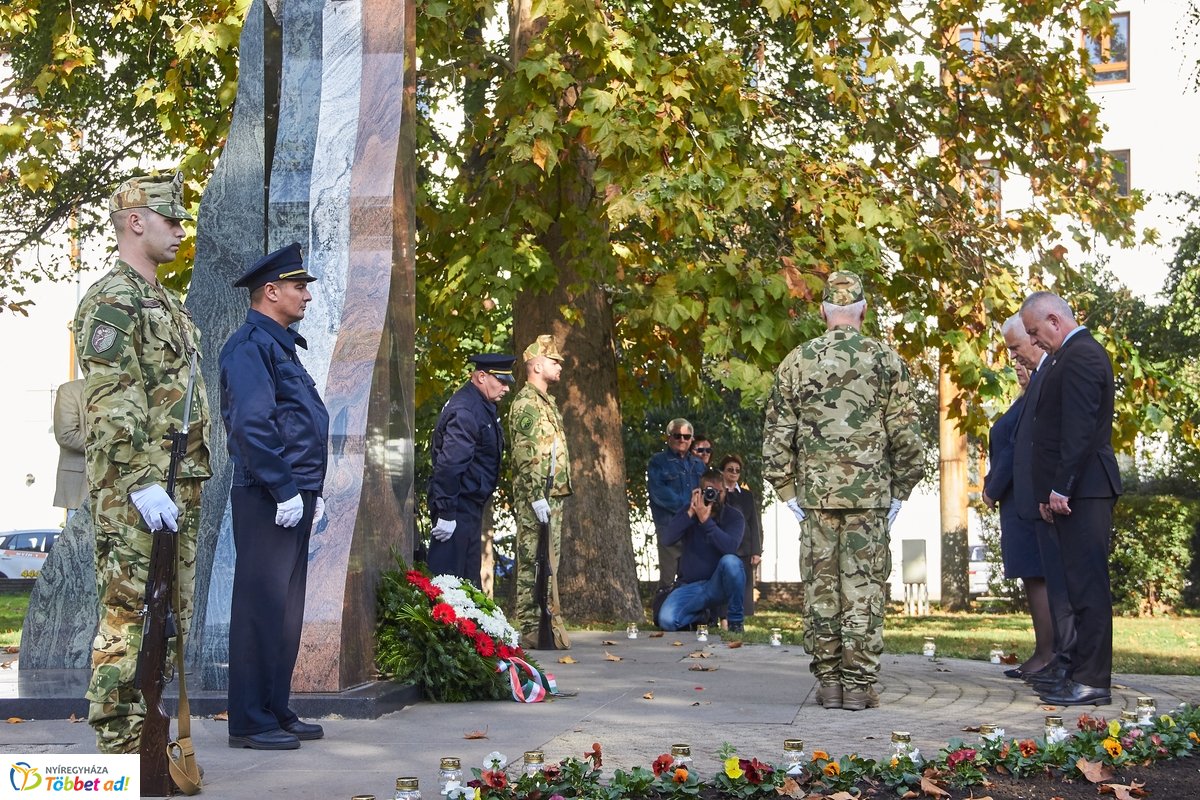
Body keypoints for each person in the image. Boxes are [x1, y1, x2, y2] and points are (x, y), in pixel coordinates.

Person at [73, 172, 212, 753]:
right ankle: (120, 748)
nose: (181, 232)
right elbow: (111, 404)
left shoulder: (162, 301)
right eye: (170, 221)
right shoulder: (112, 301)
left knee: (165, 618)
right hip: (138, 489)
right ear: (136, 222)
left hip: (176, 483)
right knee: (131, 614)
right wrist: (141, 482)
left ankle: (147, 744)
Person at [762, 270, 923, 712]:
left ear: (823, 311)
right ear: (864, 311)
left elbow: (778, 433)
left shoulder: (797, 361)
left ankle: (830, 682)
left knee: (822, 590)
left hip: (814, 498)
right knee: (863, 588)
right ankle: (858, 685)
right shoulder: (886, 360)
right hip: (869, 498)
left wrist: (788, 491)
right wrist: (902, 489)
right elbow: (906, 434)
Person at [220, 242, 330, 750]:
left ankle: (273, 706)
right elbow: (252, 424)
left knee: (285, 611)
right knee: (260, 608)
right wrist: (284, 486)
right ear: (271, 292)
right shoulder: (251, 346)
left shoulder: (280, 343)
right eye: (298, 286)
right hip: (268, 496)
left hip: (292, 493)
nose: (306, 295)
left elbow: (297, 423)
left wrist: (311, 489)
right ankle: (248, 719)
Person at [1020, 291, 1121, 706]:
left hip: (1086, 489)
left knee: (1088, 587)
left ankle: (1093, 680)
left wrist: (1061, 486)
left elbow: (1078, 430)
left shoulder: (1081, 356)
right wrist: (1050, 491)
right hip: (1072, 491)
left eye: (1034, 332)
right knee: (1075, 588)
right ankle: (1078, 671)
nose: (1035, 340)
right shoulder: (1069, 355)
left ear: (1054, 320)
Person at [981, 315, 1054, 679]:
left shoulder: (1043, 382)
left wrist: (991, 488)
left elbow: (1014, 450)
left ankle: (1047, 654)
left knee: (1037, 577)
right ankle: (1044, 653)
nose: (1014, 361)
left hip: (1024, 498)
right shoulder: (1027, 393)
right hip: (1020, 500)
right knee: (1033, 578)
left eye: (1016, 349)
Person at [428, 353, 515, 586]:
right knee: (447, 586)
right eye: (502, 381)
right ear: (481, 376)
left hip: (468, 506)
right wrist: (446, 512)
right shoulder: (467, 409)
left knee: (467, 583)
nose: (506, 389)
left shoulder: (481, 405)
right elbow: (450, 464)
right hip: (456, 507)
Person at [508, 334, 572, 649]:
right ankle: (532, 627)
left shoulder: (546, 402)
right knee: (532, 558)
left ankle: (547, 622)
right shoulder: (526, 402)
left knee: (548, 562)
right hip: (538, 497)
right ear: (535, 365)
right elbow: (526, 454)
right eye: (553, 360)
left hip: (551, 495)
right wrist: (535, 495)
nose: (560, 365)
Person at [655, 468, 746, 632]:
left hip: (718, 586)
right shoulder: (688, 512)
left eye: (719, 492)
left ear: (725, 491)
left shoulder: (734, 516)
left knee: (731, 562)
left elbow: (730, 547)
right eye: (709, 492)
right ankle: (701, 615)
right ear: (699, 492)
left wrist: (706, 522)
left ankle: (736, 623)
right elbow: (667, 539)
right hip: (690, 586)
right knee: (667, 621)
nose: (715, 497)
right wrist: (691, 512)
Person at [647, 418, 706, 587]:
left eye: (687, 437)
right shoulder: (658, 462)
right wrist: (689, 507)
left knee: (691, 576)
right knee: (668, 578)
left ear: (692, 440)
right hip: (669, 525)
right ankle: (661, 613)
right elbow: (659, 493)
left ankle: (687, 613)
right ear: (669, 437)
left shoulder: (699, 465)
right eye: (677, 435)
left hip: (694, 528)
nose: (682, 440)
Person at [719, 454, 762, 617]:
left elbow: (753, 523)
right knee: (724, 584)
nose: (734, 473)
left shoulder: (746, 495)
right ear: (722, 471)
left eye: (737, 470)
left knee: (743, 585)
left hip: (745, 548)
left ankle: (739, 620)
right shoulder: (717, 493)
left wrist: (756, 551)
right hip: (723, 546)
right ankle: (723, 618)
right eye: (730, 469)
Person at [52, 378, 88, 520]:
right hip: (80, 489)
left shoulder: (126, 388)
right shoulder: (70, 390)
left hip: (119, 490)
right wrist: (109, 447)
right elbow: (66, 435)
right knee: (77, 540)